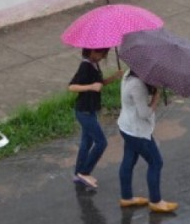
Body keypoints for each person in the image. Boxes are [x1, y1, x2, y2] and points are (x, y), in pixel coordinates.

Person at [117, 70, 178, 212]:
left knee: (129, 161)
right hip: (137, 131)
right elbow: (144, 113)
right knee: (156, 162)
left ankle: (126, 197)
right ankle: (156, 201)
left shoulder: (128, 74)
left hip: (126, 127)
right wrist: (156, 97)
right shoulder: (137, 85)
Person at [69, 48, 123, 188]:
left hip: (90, 110)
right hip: (84, 111)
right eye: (101, 53)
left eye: (104, 54)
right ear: (92, 51)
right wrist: (91, 87)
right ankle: (84, 172)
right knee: (101, 142)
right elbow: (72, 87)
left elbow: (99, 84)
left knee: (86, 143)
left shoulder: (94, 64)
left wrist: (114, 77)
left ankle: (78, 174)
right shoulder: (85, 66)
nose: (103, 57)